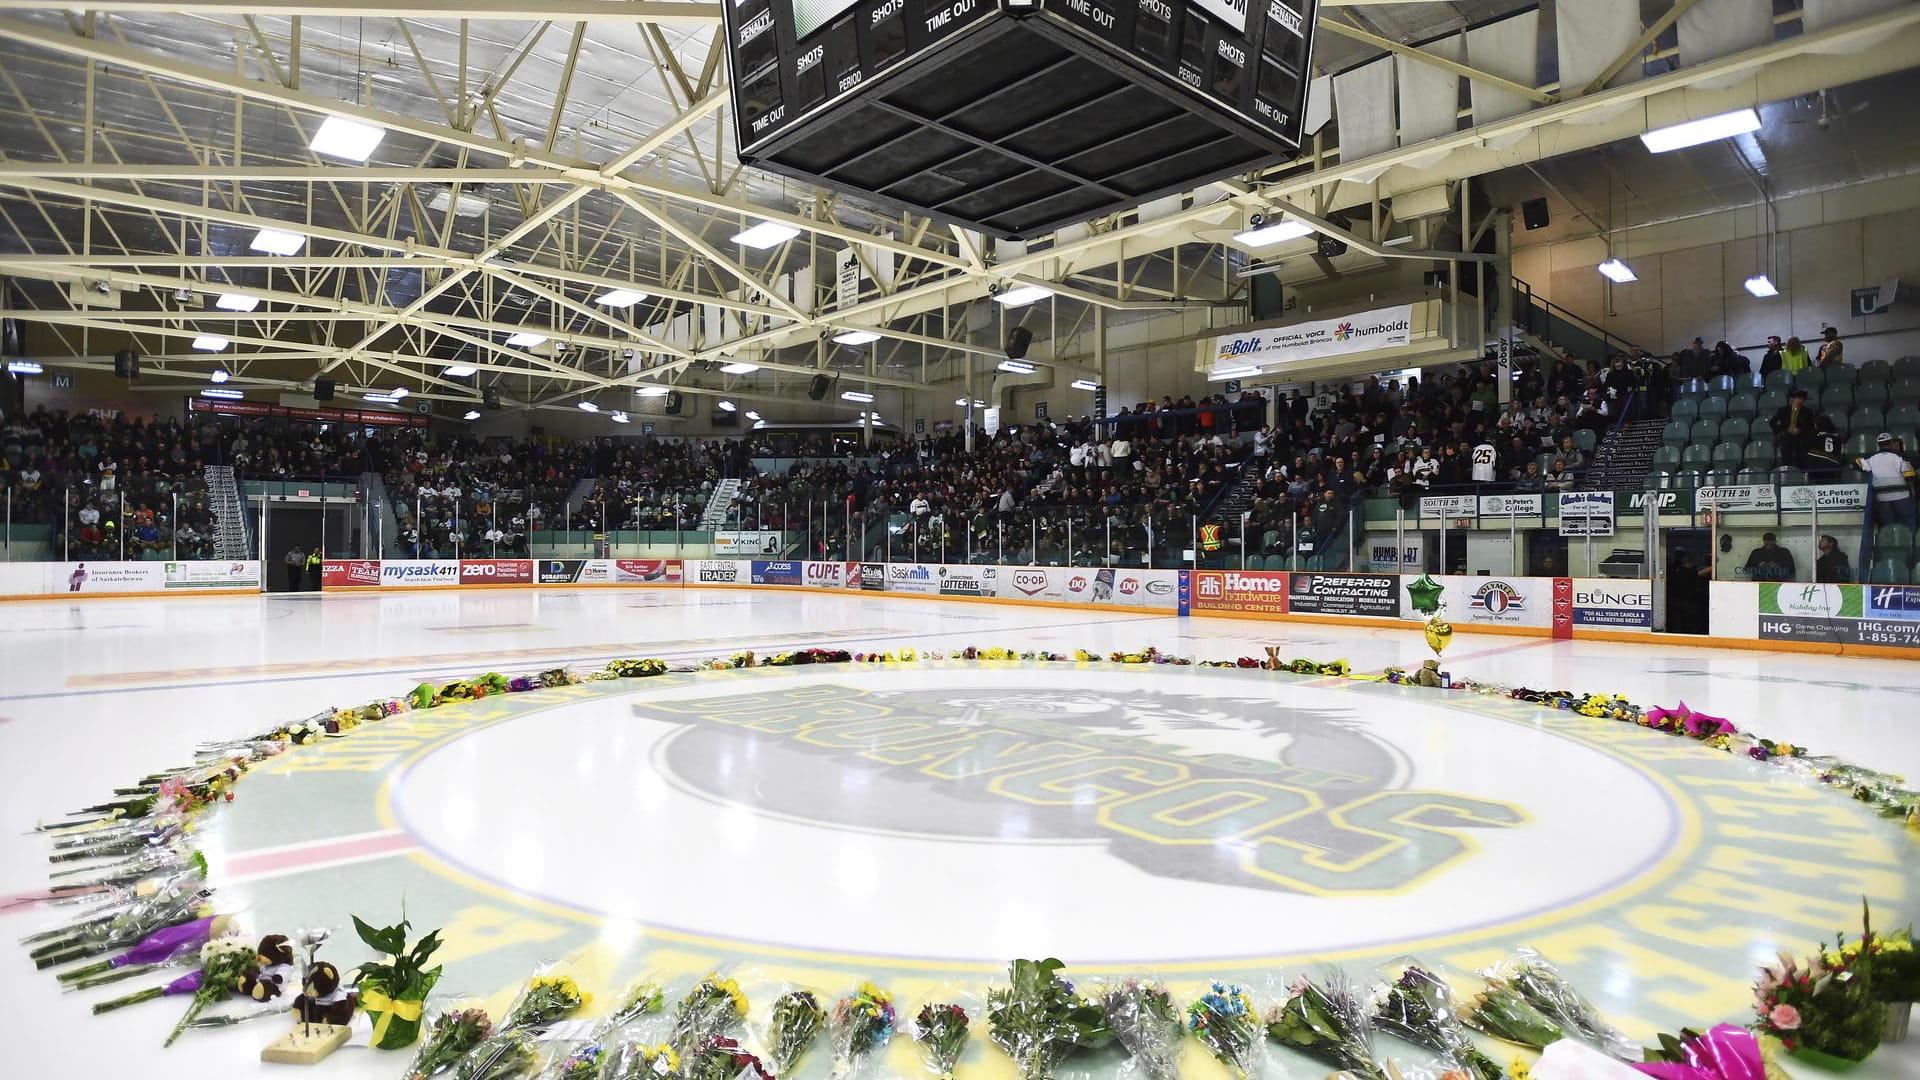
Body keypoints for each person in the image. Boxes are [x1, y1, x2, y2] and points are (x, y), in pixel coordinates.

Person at [1857, 432, 1918, 529]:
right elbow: (1909, 475)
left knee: (1889, 525)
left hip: (1882, 498)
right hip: (1901, 496)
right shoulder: (1899, 456)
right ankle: (1912, 542)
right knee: (1909, 521)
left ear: (1878, 445)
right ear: (1890, 443)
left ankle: (1892, 543)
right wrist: (1913, 492)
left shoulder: (1871, 458)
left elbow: (1855, 464)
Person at [1666, 549, 1713, 634]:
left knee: (1681, 623)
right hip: (1687, 603)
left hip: (1681, 602)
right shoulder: (1687, 571)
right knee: (1687, 624)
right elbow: (1702, 572)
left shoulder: (1675, 570)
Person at [1770, 388, 1814, 467]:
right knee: (1786, 461)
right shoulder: (1783, 410)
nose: (1801, 401)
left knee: (1801, 462)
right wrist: (1785, 430)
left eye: (1802, 399)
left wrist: (1801, 431)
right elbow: (1773, 422)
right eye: (1799, 398)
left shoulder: (1808, 412)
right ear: (1793, 398)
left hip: (1801, 439)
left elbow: (1811, 427)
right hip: (1787, 438)